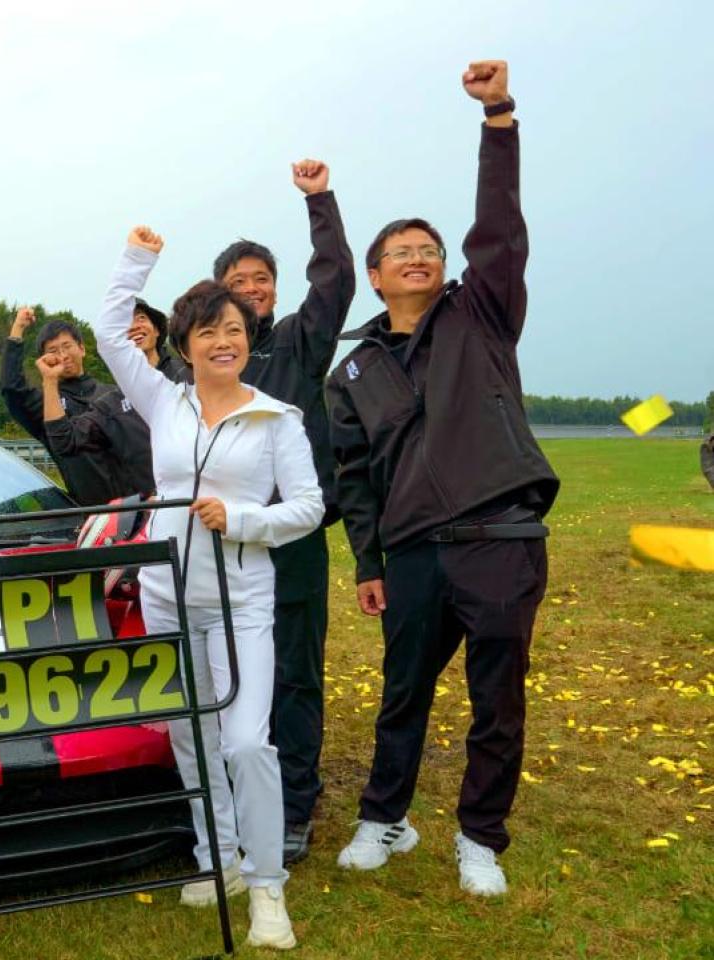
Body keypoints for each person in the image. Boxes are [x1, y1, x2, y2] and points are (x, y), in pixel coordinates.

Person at [327, 60, 556, 899]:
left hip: (501, 538)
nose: (419, 258)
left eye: (429, 250)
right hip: (415, 551)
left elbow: (499, 230)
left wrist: (498, 119)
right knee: (402, 695)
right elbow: (354, 477)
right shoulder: (351, 372)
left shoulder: (483, 313)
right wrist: (370, 561)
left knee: (496, 702)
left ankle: (479, 840)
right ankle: (384, 817)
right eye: (401, 253)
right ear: (376, 275)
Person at [96, 227, 322, 951]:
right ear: (185, 343)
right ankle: (217, 858)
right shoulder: (164, 401)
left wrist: (245, 518)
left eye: (235, 329)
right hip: (166, 595)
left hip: (243, 600)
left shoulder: (276, 418)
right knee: (190, 735)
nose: (224, 340)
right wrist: (138, 260)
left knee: (249, 742)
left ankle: (266, 886)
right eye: (208, 331)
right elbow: (107, 329)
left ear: (248, 338)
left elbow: (310, 507)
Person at [211, 159, 356, 863]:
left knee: (296, 676)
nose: (252, 290)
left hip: (293, 541)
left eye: (260, 279)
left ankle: (296, 805)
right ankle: (238, 800)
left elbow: (334, 283)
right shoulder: (207, 364)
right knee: (233, 674)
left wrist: (319, 202)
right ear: (218, 299)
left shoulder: (300, 342)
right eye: (237, 283)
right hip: (224, 545)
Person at [2, 306, 153, 504]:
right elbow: (11, 389)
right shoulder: (47, 406)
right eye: (53, 351)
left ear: (82, 348)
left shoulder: (115, 394)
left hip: (146, 507)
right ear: (43, 360)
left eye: (67, 346)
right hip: (95, 518)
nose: (63, 355)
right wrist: (17, 330)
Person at [40, 298, 174, 498]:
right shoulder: (112, 402)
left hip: (208, 507)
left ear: (156, 329)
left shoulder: (189, 378)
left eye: (141, 318)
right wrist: (50, 381)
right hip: (152, 514)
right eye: (124, 323)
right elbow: (65, 441)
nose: (134, 326)